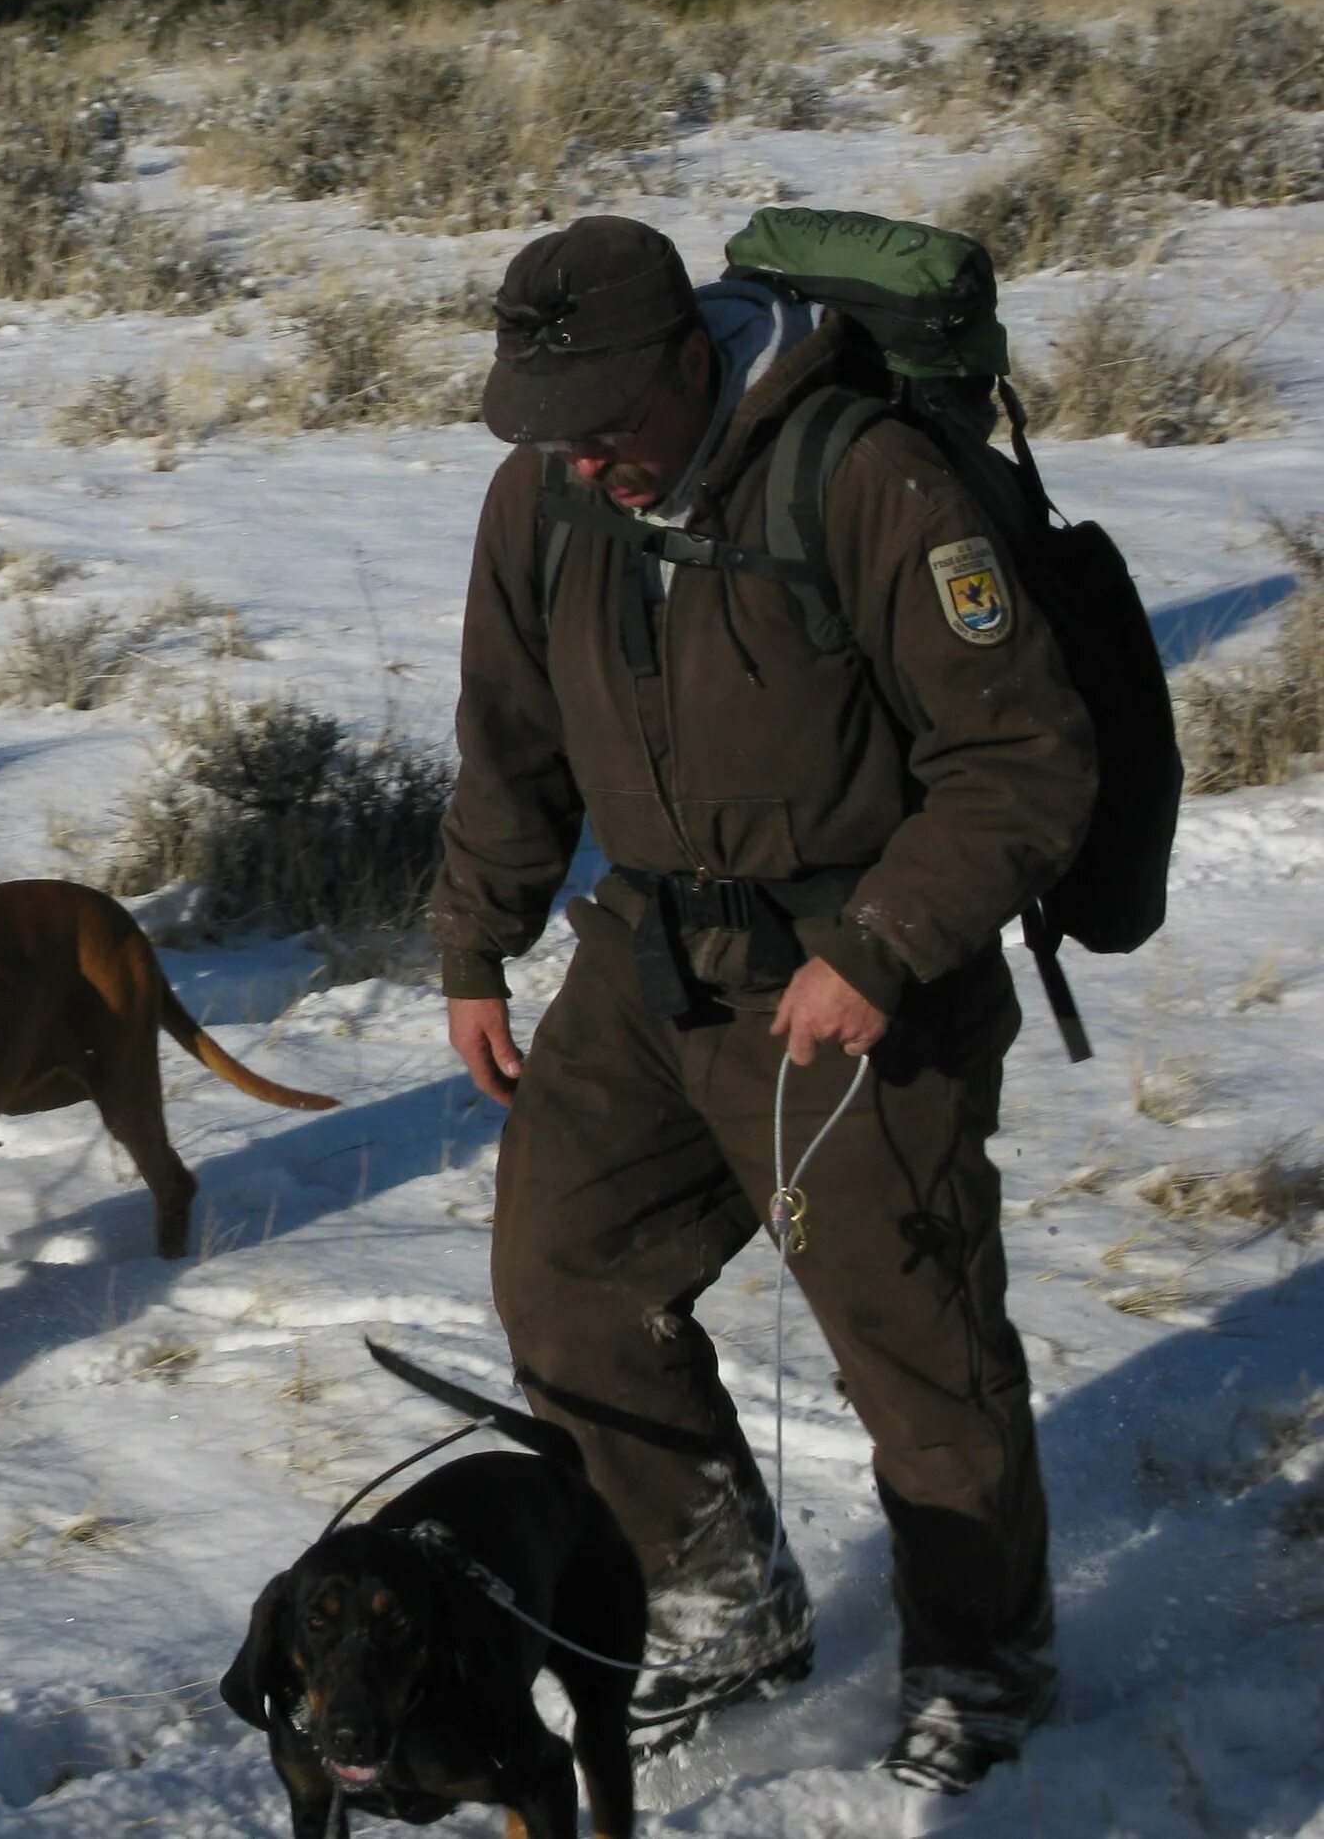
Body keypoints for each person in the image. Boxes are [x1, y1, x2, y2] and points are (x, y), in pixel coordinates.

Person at [427, 215, 1097, 1794]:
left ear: (690, 357)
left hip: (858, 970)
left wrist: (880, 945)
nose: (585, 458)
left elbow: (1023, 762)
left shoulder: (865, 478)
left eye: (608, 422)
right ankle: (718, 1603)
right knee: (566, 1284)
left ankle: (981, 1658)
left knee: (916, 1350)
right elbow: (509, 737)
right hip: (648, 953)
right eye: (553, 428)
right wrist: (474, 941)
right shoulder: (546, 491)